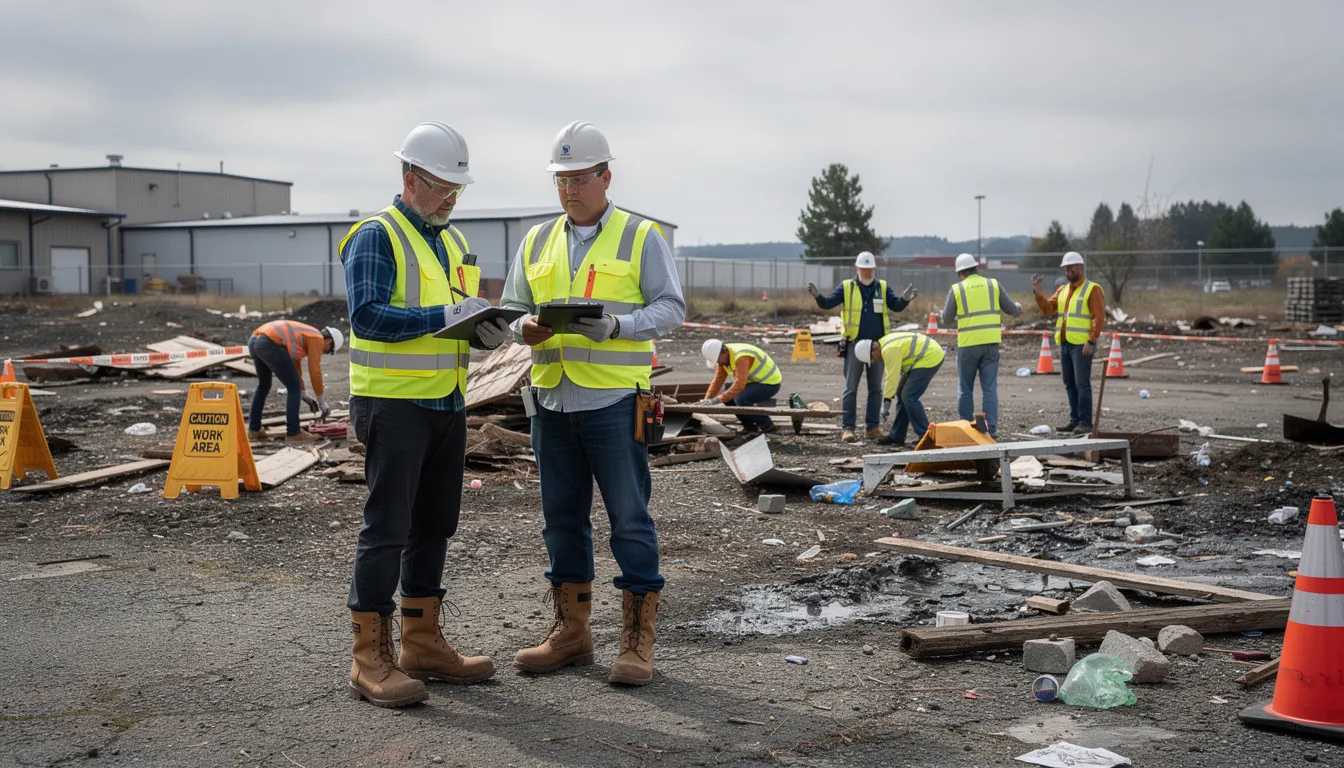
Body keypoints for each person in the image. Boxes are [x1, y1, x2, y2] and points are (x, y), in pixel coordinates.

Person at [501, 121, 685, 687]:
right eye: (561, 180)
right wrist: (522, 329)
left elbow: (671, 308)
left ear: (606, 176)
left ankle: (636, 639)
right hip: (552, 403)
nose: (569, 190)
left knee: (629, 520)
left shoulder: (640, 236)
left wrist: (618, 326)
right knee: (561, 521)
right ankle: (572, 632)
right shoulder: (536, 241)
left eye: (580, 178)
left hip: (611, 402)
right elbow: (511, 310)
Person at [338, 121, 512, 708]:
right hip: (393, 405)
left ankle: (420, 642)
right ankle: (370, 657)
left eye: (457, 189)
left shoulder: (450, 242)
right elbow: (368, 318)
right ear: (410, 180)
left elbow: (453, 318)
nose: (452, 198)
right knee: (388, 528)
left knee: (434, 523)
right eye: (443, 187)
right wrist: (444, 319)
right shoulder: (376, 236)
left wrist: (483, 330)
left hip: (446, 402)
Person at [808, 252, 915, 442]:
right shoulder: (847, 287)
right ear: (857, 269)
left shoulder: (882, 287)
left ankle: (872, 427)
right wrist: (818, 297)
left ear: (874, 270)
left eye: (870, 269)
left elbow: (896, 306)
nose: (867, 272)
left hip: (879, 348)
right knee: (851, 388)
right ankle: (848, 428)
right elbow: (827, 304)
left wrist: (905, 300)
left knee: (876, 389)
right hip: (854, 345)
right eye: (864, 269)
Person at [939, 253, 1022, 439]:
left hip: (968, 345)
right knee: (990, 388)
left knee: (965, 388)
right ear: (976, 268)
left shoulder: (957, 289)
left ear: (960, 273)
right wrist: (1019, 307)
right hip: (991, 344)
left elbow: (946, 319)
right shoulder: (993, 284)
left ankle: (966, 428)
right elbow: (1012, 310)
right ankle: (990, 430)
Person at [1032, 251, 1106, 434]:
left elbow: (1099, 317)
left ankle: (1085, 422)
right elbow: (1049, 309)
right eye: (1065, 269)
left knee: (1082, 383)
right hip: (1065, 343)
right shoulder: (1063, 290)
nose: (1067, 272)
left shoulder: (1092, 289)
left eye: (1070, 268)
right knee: (1070, 383)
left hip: (1082, 345)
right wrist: (1038, 292)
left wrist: (1091, 340)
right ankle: (1075, 420)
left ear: (1080, 267)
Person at [246, 320, 343, 441]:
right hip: (270, 342)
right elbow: (315, 371)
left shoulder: (304, 337)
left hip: (255, 340)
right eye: (328, 350)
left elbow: (295, 365)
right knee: (293, 387)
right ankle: (294, 432)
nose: (325, 352)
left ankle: (255, 430)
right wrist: (321, 402)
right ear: (329, 341)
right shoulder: (317, 338)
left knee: (264, 385)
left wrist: (303, 393)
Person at [859, 332, 946, 448]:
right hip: (921, 358)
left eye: (872, 358)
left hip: (929, 356)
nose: (874, 361)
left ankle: (927, 436)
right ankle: (897, 435)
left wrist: (886, 402)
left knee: (909, 396)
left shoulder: (889, 350)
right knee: (902, 394)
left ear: (874, 348)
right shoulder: (885, 344)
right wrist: (888, 399)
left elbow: (891, 377)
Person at [697, 338, 782, 436]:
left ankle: (768, 427)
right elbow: (718, 380)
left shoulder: (741, 357)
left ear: (723, 352)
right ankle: (750, 427)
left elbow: (739, 385)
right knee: (728, 398)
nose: (718, 363)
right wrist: (707, 399)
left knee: (741, 399)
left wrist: (716, 400)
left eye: (718, 360)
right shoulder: (724, 358)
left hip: (769, 383)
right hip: (754, 381)